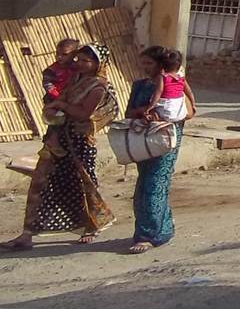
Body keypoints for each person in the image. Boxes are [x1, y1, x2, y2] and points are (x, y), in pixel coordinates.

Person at [4, 43, 117, 250]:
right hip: (57, 139)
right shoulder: (75, 79)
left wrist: (62, 106)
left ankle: (91, 226)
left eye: (86, 61)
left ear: (98, 63)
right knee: (40, 183)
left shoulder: (98, 87)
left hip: (79, 143)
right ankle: (27, 234)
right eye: (79, 60)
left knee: (83, 186)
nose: (81, 64)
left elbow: (83, 113)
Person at [126, 46, 195, 254]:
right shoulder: (140, 86)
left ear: (160, 64)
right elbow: (129, 111)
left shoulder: (173, 83)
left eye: (149, 63)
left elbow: (189, 112)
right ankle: (161, 229)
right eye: (143, 63)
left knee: (155, 184)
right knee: (143, 186)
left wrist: (164, 115)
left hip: (166, 140)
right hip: (142, 141)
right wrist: (144, 113)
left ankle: (149, 236)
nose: (145, 68)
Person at [42, 38, 80, 103]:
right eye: (57, 53)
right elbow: (48, 86)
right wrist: (58, 97)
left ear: (74, 54)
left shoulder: (78, 68)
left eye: (64, 54)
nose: (59, 57)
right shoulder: (51, 70)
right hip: (56, 99)